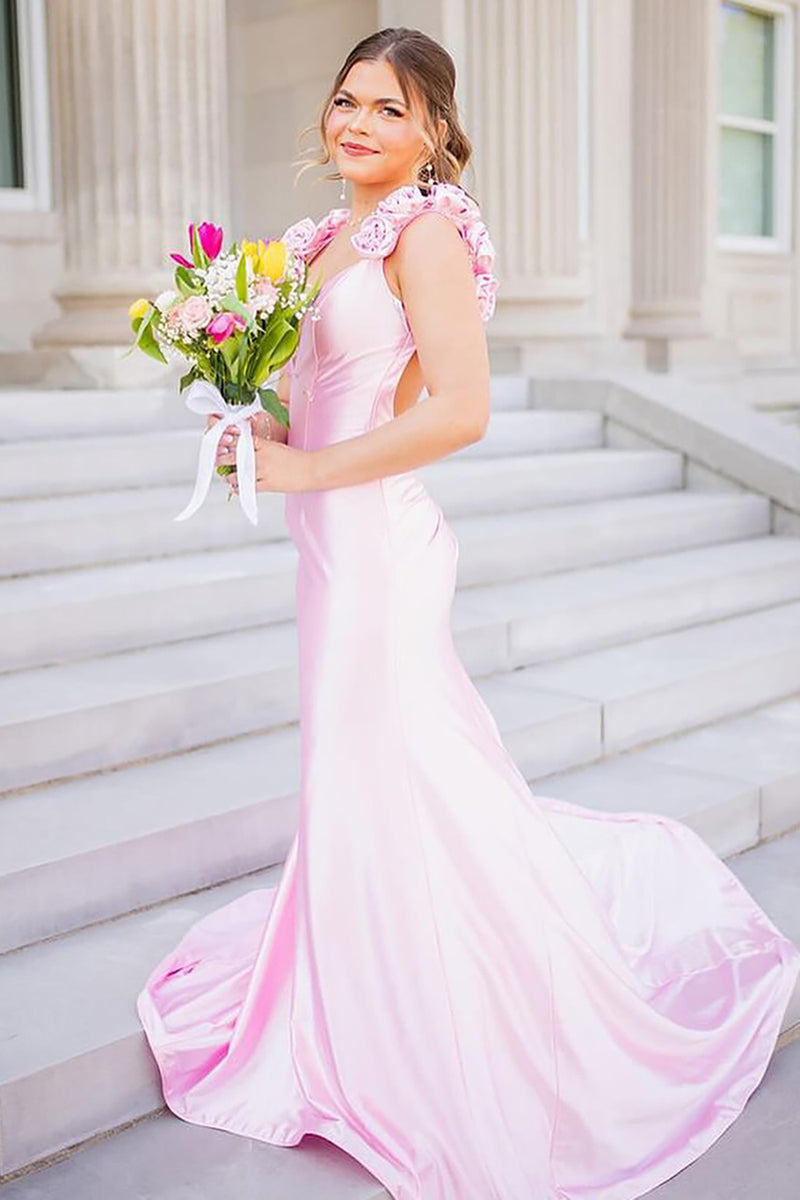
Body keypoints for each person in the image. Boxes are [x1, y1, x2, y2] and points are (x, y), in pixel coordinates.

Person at [136, 27, 800, 1200]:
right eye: (345, 100)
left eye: (388, 109)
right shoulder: (322, 239)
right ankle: (355, 987)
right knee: (358, 779)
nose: (356, 124)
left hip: (380, 551)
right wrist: (259, 429)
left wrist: (305, 473)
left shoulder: (425, 233)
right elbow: (334, 398)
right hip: (329, 551)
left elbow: (459, 412)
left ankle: (433, 1030)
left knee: (400, 776)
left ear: (435, 128)